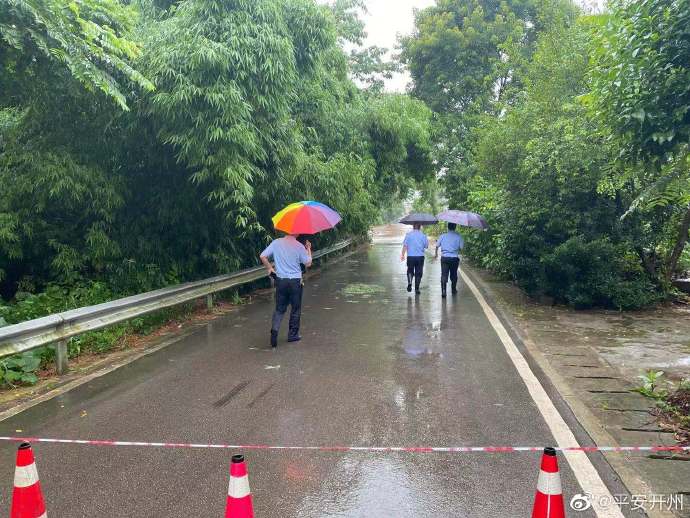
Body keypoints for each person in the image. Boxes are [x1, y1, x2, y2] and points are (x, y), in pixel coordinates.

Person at [260, 233, 312, 348]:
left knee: (279, 308)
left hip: (281, 281)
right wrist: (308, 248)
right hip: (295, 282)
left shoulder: (276, 243)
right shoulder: (299, 246)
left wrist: (269, 268)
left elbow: (262, 256)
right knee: (295, 308)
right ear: (296, 232)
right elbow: (308, 263)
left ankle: (274, 330)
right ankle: (292, 335)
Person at [435, 222, 464, 298]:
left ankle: (444, 291)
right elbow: (461, 248)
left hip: (444, 258)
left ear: (448, 227)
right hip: (454, 258)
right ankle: (453, 289)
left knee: (444, 275)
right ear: (455, 227)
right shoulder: (459, 236)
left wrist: (436, 254)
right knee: (454, 274)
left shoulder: (443, 236)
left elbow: (437, 245)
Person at [400, 223, 429, 294]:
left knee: (410, 271)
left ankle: (410, 282)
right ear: (420, 227)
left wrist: (403, 255)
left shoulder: (408, 235)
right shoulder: (423, 235)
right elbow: (426, 246)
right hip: (420, 257)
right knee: (418, 273)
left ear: (413, 227)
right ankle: (417, 289)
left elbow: (405, 246)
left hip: (410, 257)